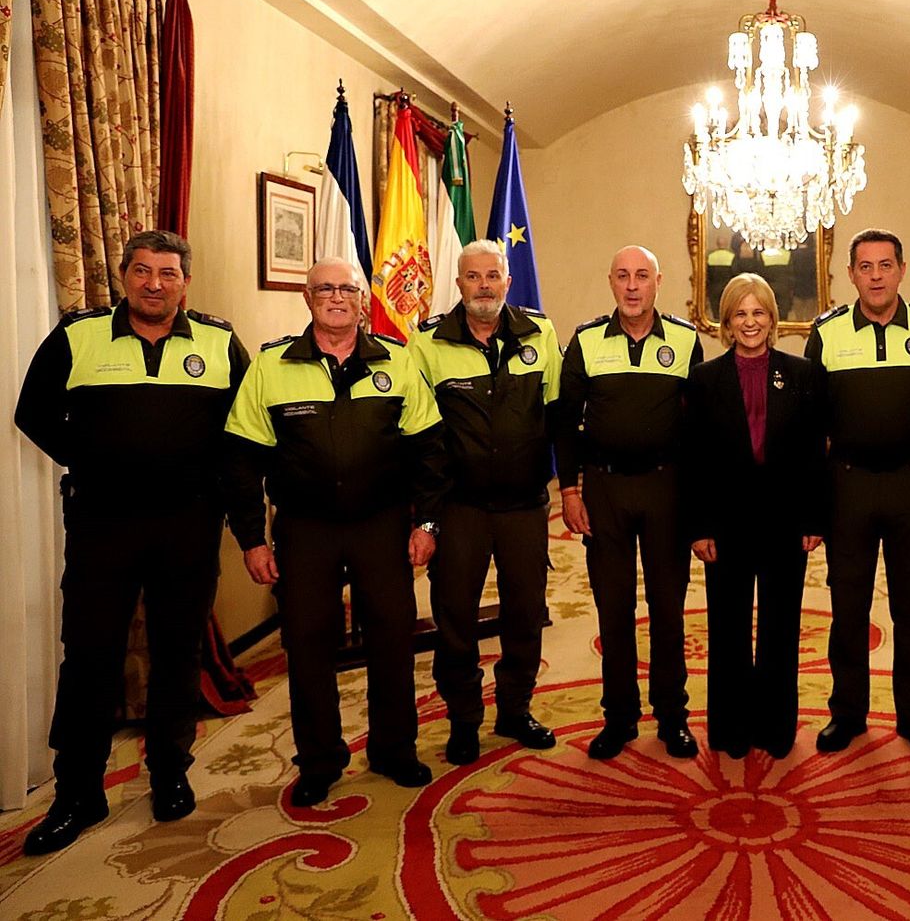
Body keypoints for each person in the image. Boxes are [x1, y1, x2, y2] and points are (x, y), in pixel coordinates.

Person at [15, 231, 249, 855]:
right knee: (89, 655)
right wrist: (95, 461)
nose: (154, 283)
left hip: (188, 524)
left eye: (167, 273)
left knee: (177, 652)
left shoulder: (220, 342)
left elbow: (242, 429)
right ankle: (77, 793)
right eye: (142, 271)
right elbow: (32, 414)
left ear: (185, 283)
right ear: (124, 276)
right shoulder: (78, 335)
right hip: (103, 524)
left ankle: (170, 773)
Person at [224, 258, 448, 807]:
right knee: (307, 645)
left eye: (347, 288)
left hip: (381, 525)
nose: (336, 297)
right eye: (324, 288)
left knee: (392, 638)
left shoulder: (397, 360)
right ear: (307, 298)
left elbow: (430, 451)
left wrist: (427, 522)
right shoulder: (271, 365)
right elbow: (241, 461)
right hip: (306, 530)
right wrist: (252, 539)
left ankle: (394, 748)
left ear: (362, 300)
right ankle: (319, 761)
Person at [408, 240, 563, 765]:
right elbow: (418, 435)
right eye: (473, 277)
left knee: (526, 612)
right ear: (459, 284)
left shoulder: (539, 333)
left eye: (493, 275)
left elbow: (557, 415)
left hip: (523, 505)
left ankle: (516, 709)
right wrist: (424, 513)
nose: (483, 286)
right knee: (455, 618)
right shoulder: (427, 342)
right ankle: (464, 721)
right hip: (460, 507)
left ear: (508, 282)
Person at [805, 228, 910, 756]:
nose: (875, 276)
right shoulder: (827, 332)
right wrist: (813, 501)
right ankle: (847, 714)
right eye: (864, 267)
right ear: (850, 275)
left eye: (885, 265)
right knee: (848, 608)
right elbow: (810, 424)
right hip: (848, 487)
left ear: (902, 270)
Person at [555, 245, 703, 761]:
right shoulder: (586, 340)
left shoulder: (685, 340)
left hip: (667, 491)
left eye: (642, 275)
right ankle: (618, 718)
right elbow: (565, 423)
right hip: (605, 491)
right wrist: (569, 491)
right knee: (613, 608)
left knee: (668, 608)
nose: (633, 286)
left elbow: (699, 428)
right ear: (611, 282)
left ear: (659, 281)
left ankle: (672, 717)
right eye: (623, 276)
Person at [686, 273, 825, 759]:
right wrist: (699, 526)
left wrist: (814, 519)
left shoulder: (802, 374)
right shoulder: (705, 378)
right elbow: (694, 459)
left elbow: (813, 453)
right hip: (725, 524)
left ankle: (775, 726)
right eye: (740, 313)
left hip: (785, 521)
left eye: (759, 312)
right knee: (727, 627)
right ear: (726, 322)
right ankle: (730, 729)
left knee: (781, 627)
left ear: (772, 318)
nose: (750, 322)